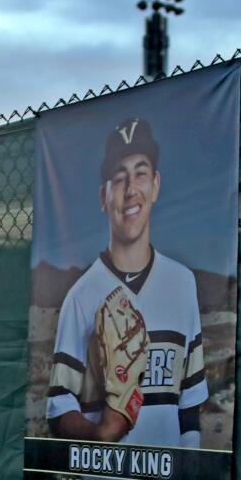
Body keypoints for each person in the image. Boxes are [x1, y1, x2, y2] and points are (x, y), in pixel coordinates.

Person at [46, 117, 207, 448]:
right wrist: (99, 433)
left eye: (141, 173)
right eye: (119, 179)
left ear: (156, 185)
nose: (131, 189)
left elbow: (189, 406)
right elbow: (58, 406)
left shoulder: (182, 284)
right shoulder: (81, 296)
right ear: (104, 198)